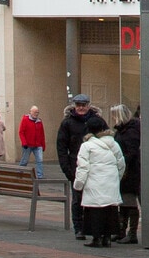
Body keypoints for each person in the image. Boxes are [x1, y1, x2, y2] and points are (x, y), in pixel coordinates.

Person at [56, 95, 106, 239]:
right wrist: (67, 169)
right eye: (78, 105)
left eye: (83, 105)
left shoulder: (98, 121)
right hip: (75, 166)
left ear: (89, 105)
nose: (81, 108)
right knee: (77, 199)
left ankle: (91, 227)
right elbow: (61, 147)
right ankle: (78, 228)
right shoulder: (67, 123)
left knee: (94, 199)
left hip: (96, 166)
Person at [72, 118, 125, 248]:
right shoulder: (114, 144)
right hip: (111, 182)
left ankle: (97, 238)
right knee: (110, 210)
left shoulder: (87, 146)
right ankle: (107, 238)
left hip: (94, 183)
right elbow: (121, 164)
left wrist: (78, 184)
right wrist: (116, 178)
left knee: (94, 211)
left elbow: (83, 167)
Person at [112, 104, 142, 244]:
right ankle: (121, 231)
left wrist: (122, 164)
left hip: (130, 171)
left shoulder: (129, 131)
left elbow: (131, 152)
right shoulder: (123, 130)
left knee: (129, 202)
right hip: (125, 169)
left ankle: (131, 233)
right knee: (123, 202)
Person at [18, 104, 47, 176]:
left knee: (39, 160)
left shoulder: (39, 121)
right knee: (24, 161)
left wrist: (43, 145)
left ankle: (40, 175)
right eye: (35, 112)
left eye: (37, 112)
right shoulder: (25, 119)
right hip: (28, 144)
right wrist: (24, 142)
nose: (36, 114)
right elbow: (21, 132)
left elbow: (42, 134)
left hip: (38, 145)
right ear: (30, 112)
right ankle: (19, 173)